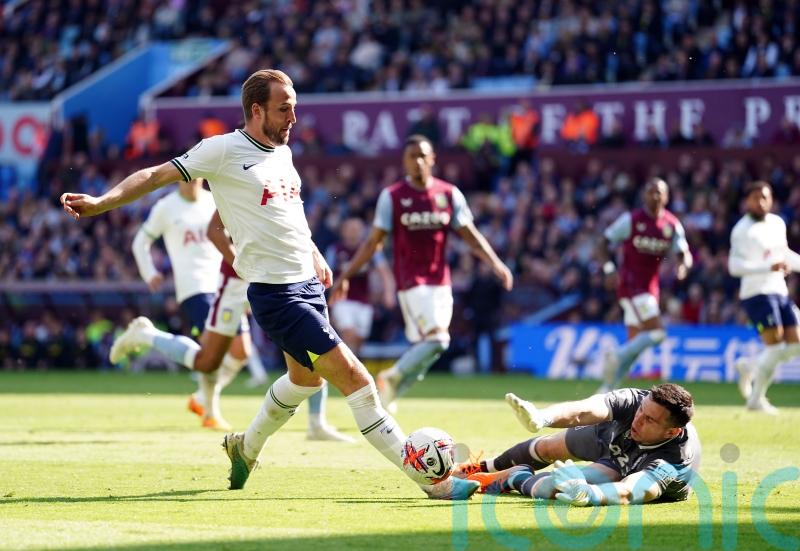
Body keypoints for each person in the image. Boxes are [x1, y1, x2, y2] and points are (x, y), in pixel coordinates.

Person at [60, 69, 477, 500]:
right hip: (276, 295)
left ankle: (246, 446)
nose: (294, 116)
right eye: (285, 108)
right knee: (357, 380)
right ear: (256, 110)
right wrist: (102, 202)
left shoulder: (283, 153)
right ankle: (433, 482)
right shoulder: (221, 150)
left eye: (294, 106)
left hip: (307, 286)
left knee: (304, 382)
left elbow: (291, 216)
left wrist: (314, 253)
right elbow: (154, 176)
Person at [118, 210, 352, 440]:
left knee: (267, 348)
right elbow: (215, 232)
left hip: (275, 276)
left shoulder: (276, 181)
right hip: (233, 282)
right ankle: (148, 336)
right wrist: (244, 269)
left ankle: (316, 422)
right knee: (208, 360)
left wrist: (312, 252)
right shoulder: (228, 184)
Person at [330, 135, 513, 412]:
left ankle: (388, 397)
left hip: (441, 283)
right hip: (411, 283)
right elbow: (372, 243)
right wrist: (344, 277)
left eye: (422, 155)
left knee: (432, 349)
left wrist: (495, 263)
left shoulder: (449, 194)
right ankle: (389, 377)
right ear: (404, 161)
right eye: (411, 156)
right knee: (439, 340)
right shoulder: (392, 196)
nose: (417, 161)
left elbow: (470, 235)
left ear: (432, 159)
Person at [457, 383, 701, 506]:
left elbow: (633, 490)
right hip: (617, 441)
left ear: (672, 431)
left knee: (557, 486)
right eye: (641, 410)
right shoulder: (635, 402)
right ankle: (478, 468)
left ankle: (513, 478)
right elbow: (587, 409)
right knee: (548, 447)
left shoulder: (674, 457)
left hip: (627, 469)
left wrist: (590, 494)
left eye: (649, 419)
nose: (639, 418)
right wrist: (543, 417)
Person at [130, 176, 247, 429]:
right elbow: (141, 241)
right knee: (211, 352)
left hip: (225, 284)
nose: (190, 179)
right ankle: (210, 412)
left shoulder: (214, 201)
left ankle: (201, 397)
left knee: (241, 350)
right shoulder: (166, 206)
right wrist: (149, 272)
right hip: (194, 288)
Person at [596, 178, 693, 392]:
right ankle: (615, 356)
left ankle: (606, 389)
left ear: (667, 197)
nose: (655, 196)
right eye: (651, 191)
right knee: (658, 333)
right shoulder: (631, 220)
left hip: (650, 288)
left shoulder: (671, 225)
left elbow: (684, 254)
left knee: (636, 346)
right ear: (644, 195)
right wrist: (609, 269)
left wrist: (683, 267)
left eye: (659, 192)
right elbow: (602, 243)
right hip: (630, 286)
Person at [729, 181, 800, 414]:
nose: (760, 202)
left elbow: (784, 254)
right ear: (746, 201)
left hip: (779, 291)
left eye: (765, 197)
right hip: (756, 293)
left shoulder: (778, 223)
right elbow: (734, 266)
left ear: (771, 200)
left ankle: (750, 367)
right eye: (755, 198)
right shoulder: (741, 230)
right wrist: (768, 266)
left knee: (795, 343)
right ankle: (756, 400)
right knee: (776, 345)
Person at [326, 217, 395, 356]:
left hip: (364, 302)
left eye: (357, 229)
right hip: (342, 301)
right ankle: (347, 371)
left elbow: (384, 272)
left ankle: (350, 369)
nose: (354, 232)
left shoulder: (371, 250)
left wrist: (388, 293)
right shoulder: (335, 250)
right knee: (348, 334)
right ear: (343, 231)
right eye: (351, 229)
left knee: (359, 341)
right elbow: (326, 276)